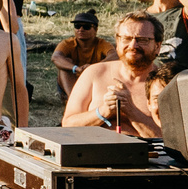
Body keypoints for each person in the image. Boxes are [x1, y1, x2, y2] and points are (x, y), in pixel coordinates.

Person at [61, 9, 165, 137]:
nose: (133, 45)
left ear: (157, 46)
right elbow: (68, 124)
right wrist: (103, 111)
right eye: (126, 39)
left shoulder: (164, 83)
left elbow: (173, 139)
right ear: (117, 42)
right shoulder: (94, 73)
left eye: (142, 40)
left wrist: (131, 110)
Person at [52, 9, 112, 99]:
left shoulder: (102, 44)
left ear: (95, 29)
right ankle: (72, 98)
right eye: (77, 26)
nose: (81, 29)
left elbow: (115, 56)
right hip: (71, 83)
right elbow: (56, 57)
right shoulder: (67, 43)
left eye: (86, 27)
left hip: (94, 83)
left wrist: (92, 67)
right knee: (65, 64)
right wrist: (76, 68)